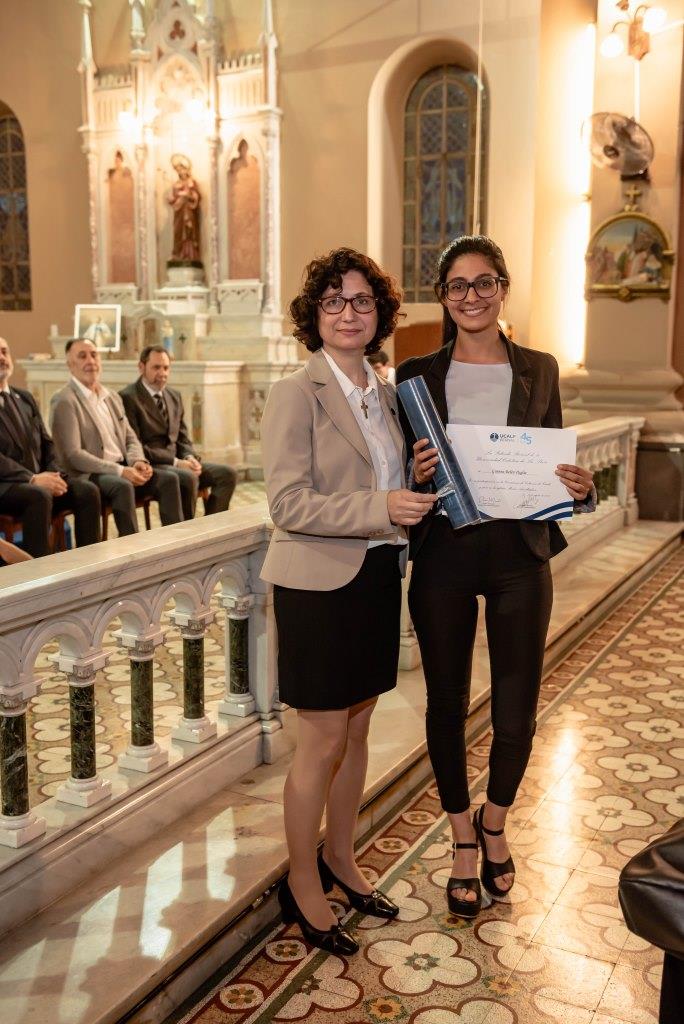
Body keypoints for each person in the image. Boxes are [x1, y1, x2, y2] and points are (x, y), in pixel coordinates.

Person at [396, 235, 595, 919]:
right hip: (445, 555)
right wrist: (414, 474)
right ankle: (459, 837)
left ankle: (495, 821)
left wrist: (579, 483)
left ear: (503, 289)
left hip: (519, 556)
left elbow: (557, 469)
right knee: (445, 702)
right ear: (444, 295)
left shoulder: (540, 368)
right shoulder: (416, 374)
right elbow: (398, 472)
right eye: (457, 285)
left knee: (516, 708)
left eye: (484, 283)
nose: (471, 296)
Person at [260, 247, 435, 954]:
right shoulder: (296, 392)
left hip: (372, 577)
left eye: (362, 300)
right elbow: (288, 502)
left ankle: (342, 857)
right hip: (316, 585)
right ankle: (301, 882)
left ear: (380, 313)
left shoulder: (387, 394)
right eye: (333, 301)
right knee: (322, 740)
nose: (348, 313)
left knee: (358, 733)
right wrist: (381, 504)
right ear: (314, 315)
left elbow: (387, 482)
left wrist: (413, 474)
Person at [51, 339, 184, 536]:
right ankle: (132, 554)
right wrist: (120, 471)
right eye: (82, 356)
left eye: (94, 354)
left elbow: (130, 438)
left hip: (122, 466)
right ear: (70, 365)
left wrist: (137, 461)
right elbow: (74, 455)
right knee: (122, 486)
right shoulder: (65, 400)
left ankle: (179, 544)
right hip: (89, 474)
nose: (91, 360)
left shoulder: (111, 396)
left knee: (168, 479)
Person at [0, 336, 101, 558]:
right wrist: (32, 478)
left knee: (87, 491)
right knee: (38, 495)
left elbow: (47, 442)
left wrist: (54, 474)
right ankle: (40, 576)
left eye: (4, 351)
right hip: (6, 486)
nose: (2, 358)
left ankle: (89, 564)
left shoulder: (23, 397)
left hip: (38, 479)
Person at [120, 345, 237, 520]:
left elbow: (182, 437)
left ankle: (211, 527)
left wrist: (189, 457)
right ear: (141, 367)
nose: (162, 373)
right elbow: (136, 445)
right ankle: (186, 535)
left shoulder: (174, 395)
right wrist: (176, 462)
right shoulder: (128, 397)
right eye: (156, 367)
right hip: (152, 464)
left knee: (227, 474)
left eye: (166, 368)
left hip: (179, 462)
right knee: (187, 477)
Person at [169, 154, 201, 264]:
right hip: (179, 214)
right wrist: (175, 198)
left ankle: (190, 255)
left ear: (186, 169)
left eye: (182, 169)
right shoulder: (176, 184)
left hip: (189, 212)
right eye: (178, 170)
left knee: (189, 231)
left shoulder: (192, 183)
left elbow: (196, 197)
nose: (180, 172)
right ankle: (179, 254)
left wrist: (189, 196)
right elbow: (172, 199)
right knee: (178, 232)